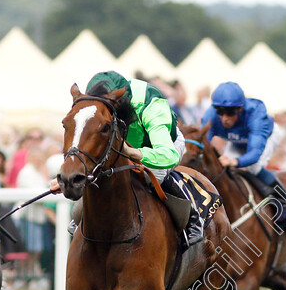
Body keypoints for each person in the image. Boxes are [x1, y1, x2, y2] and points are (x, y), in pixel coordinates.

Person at [52, 70, 204, 247]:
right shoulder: (97, 102)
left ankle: (193, 217)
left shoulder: (152, 104)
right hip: (123, 145)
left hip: (163, 146)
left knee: (151, 175)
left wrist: (135, 154)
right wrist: (69, 175)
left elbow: (167, 155)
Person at [201, 81, 286, 233]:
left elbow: (254, 154)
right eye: (220, 111)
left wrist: (234, 161)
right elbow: (203, 143)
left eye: (230, 112)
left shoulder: (256, 116)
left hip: (265, 137)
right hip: (237, 140)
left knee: (252, 168)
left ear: (240, 109)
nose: (224, 118)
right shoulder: (211, 115)